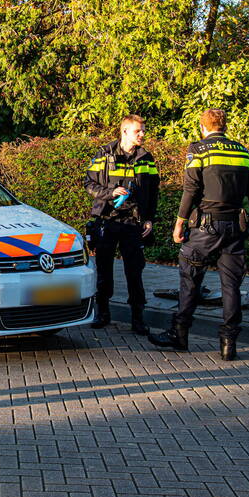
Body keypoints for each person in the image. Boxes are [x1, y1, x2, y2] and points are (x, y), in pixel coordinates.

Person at [150, 108, 249, 361]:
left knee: (190, 279)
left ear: (203, 128)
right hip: (236, 228)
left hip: (205, 228)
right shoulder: (243, 152)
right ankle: (228, 344)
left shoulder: (198, 150)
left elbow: (190, 189)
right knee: (231, 286)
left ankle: (179, 335)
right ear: (224, 127)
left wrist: (179, 222)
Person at [83, 114, 160, 335]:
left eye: (143, 131)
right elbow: (88, 183)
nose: (143, 135)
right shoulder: (104, 155)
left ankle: (138, 317)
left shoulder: (146, 158)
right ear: (125, 131)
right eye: (139, 131)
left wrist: (149, 219)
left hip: (132, 222)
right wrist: (110, 193)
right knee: (104, 269)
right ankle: (103, 313)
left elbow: (153, 192)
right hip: (107, 220)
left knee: (134, 272)